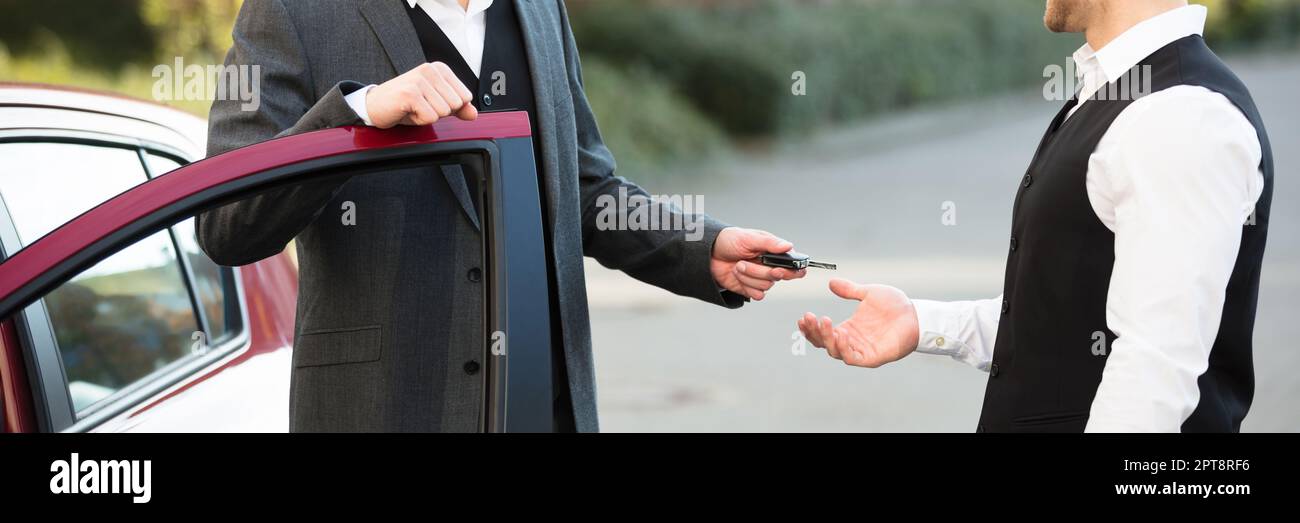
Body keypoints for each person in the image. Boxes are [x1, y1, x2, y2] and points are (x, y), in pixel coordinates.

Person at [199, 0, 805, 432]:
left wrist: (702, 247)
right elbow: (228, 224)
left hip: (542, 406)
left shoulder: (540, 9)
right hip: (384, 408)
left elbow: (584, 188)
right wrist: (356, 114)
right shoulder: (290, 11)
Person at [797, 1, 1272, 432]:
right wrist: (921, 320)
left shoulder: (1180, 114)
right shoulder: (1119, 87)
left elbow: (1156, 366)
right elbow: (1069, 314)